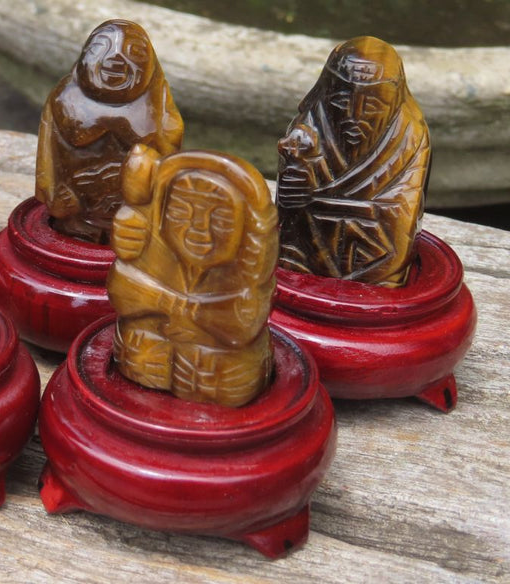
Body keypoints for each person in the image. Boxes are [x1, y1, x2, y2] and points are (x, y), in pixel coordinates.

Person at [108, 149, 277, 407]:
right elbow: (123, 290)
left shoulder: (244, 275)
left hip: (219, 365)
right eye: (182, 212)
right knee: (139, 346)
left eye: (220, 218)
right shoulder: (156, 252)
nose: (198, 228)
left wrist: (177, 308)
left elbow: (244, 323)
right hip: (152, 350)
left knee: (228, 367)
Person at [276, 36, 431, 287]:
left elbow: (404, 210)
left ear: (392, 101)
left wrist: (318, 200)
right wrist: (292, 194)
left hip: (374, 261)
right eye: (342, 102)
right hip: (304, 257)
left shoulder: (409, 138)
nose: (354, 116)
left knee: (381, 282)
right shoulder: (309, 129)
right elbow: (287, 213)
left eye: (371, 106)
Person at [36, 19, 183, 243]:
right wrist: (51, 193)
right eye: (99, 48)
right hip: (75, 211)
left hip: (135, 217)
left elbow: (169, 150)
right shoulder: (66, 96)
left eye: (134, 53)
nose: (115, 59)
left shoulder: (155, 101)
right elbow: (47, 152)